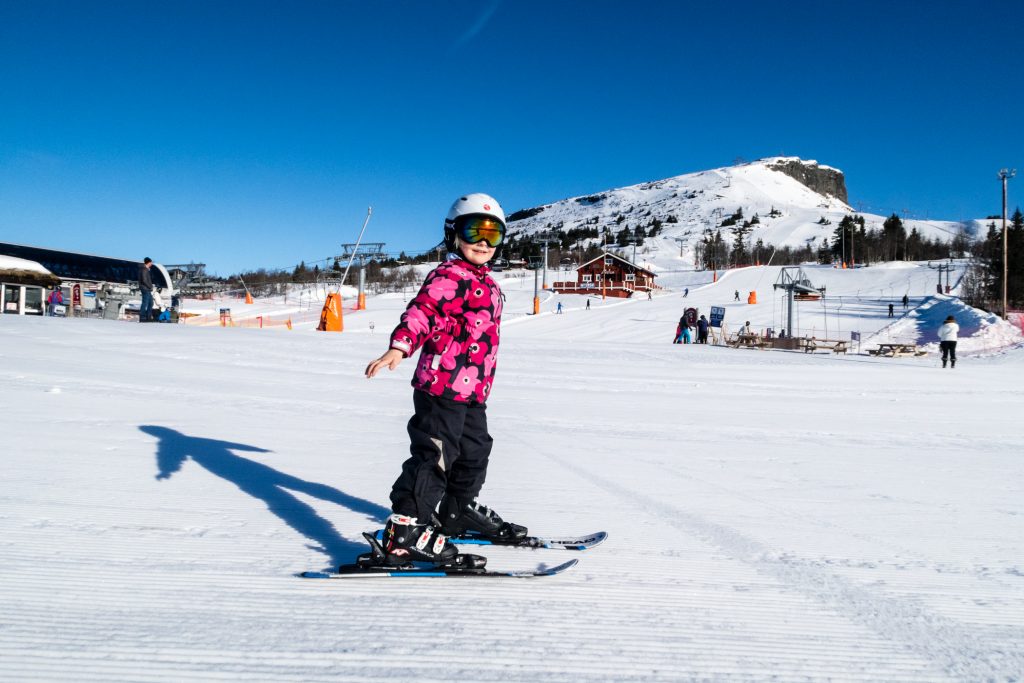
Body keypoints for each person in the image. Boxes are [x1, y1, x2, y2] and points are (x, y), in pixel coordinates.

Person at [364, 193, 526, 568]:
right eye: (474, 232)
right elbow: (424, 311)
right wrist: (400, 347)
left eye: (493, 235)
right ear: (453, 234)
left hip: (472, 391)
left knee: (475, 451)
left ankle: (456, 510)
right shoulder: (448, 276)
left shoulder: (488, 282)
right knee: (434, 454)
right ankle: (404, 532)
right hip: (440, 386)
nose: (484, 243)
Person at [139, 257, 154, 322]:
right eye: (151, 262)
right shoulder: (144, 270)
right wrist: (150, 286)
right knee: (145, 303)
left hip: (147, 288)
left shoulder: (146, 269)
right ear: (148, 262)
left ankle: (148, 317)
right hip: (145, 288)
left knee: (151, 303)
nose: (152, 264)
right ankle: (142, 317)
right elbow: (144, 280)